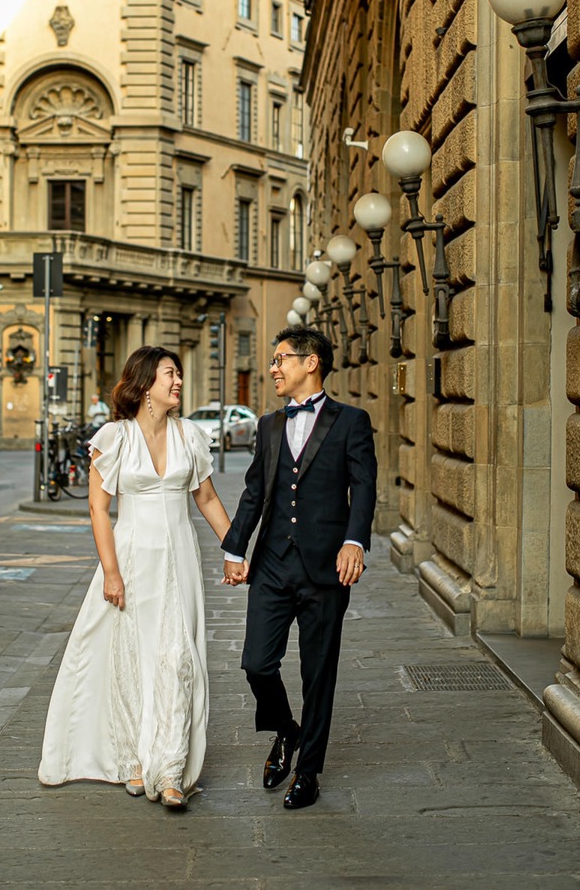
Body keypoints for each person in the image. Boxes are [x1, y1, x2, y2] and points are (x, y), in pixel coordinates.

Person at [39, 345, 236, 811]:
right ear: (146, 382)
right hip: (131, 558)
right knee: (130, 656)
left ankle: (169, 770)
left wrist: (234, 548)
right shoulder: (115, 437)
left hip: (180, 559)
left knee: (176, 657)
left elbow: (206, 499)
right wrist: (111, 572)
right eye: (171, 374)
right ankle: (133, 759)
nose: (179, 382)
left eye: (180, 375)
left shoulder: (190, 435)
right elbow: (98, 508)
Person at [222, 326, 377, 809]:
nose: (273, 368)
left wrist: (355, 541)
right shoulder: (269, 426)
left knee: (318, 674)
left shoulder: (351, 421)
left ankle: (307, 771)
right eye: (272, 360)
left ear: (311, 363)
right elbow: (254, 493)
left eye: (281, 358)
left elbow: (364, 487)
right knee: (256, 663)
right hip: (271, 563)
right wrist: (234, 549)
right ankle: (286, 730)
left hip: (326, 567)